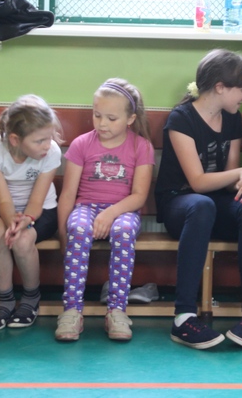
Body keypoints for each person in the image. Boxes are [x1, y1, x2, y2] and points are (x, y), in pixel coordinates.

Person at [156, 49, 242, 350]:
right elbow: (198, 182)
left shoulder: (231, 118)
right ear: (220, 87)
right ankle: (183, 318)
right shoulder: (181, 119)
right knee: (201, 204)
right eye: (241, 89)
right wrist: (241, 172)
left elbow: (228, 178)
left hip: (213, 205)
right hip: (180, 205)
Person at [54, 78, 154, 342]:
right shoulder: (82, 144)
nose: (102, 124)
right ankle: (72, 311)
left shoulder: (141, 146)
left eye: (111, 118)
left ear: (130, 119)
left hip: (123, 210)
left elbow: (139, 196)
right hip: (86, 207)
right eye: (97, 115)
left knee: (124, 231)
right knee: (77, 228)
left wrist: (110, 214)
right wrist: (62, 233)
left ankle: (117, 311)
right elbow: (68, 194)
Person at [0, 95, 63, 331]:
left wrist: (24, 221)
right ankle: (5, 301)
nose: (47, 145)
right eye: (39, 141)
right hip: (2, 208)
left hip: (41, 211)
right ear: (15, 139)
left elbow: (37, 200)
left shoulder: (51, 152)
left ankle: (30, 298)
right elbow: (3, 199)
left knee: (23, 240)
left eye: (49, 138)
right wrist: (10, 222)